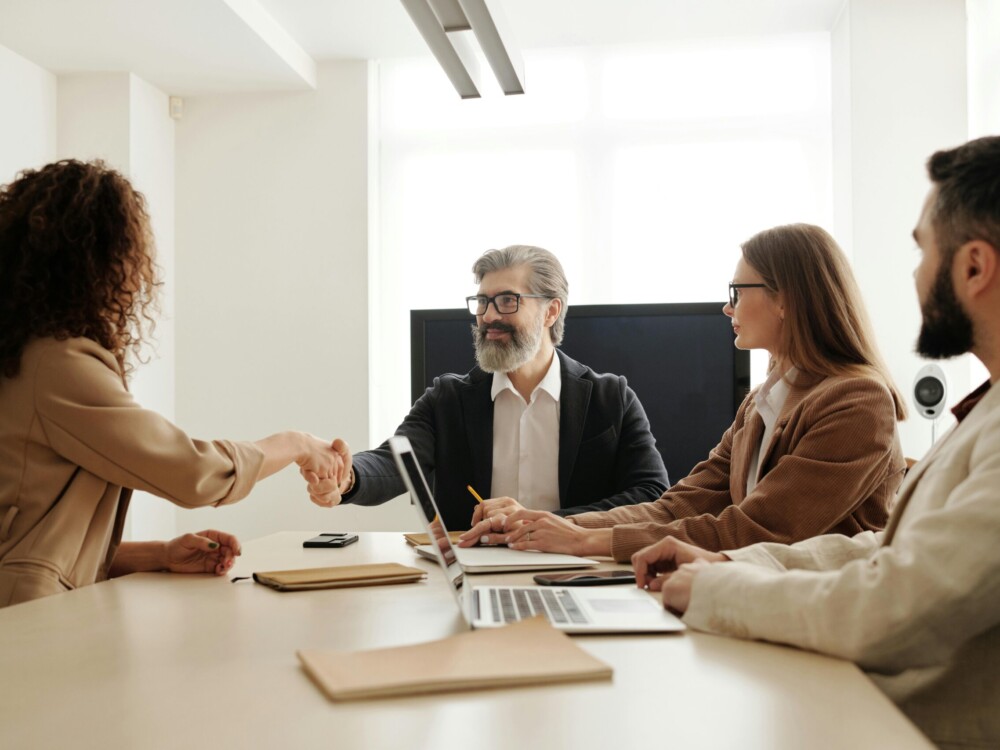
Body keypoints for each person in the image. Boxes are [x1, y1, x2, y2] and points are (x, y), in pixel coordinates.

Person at [631, 136, 1000, 749]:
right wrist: (731, 565)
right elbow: (882, 550)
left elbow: (899, 605)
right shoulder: (984, 410)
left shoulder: (865, 401)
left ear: (974, 267)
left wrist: (723, 588)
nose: (914, 275)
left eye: (922, 252)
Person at [0, 159, 349, 608]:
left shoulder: (26, 355)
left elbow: (34, 538)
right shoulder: (56, 363)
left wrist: (159, 554)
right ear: (96, 259)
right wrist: (296, 443)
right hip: (24, 623)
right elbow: (193, 472)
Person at [461, 225, 907, 562]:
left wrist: (588, 540)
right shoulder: (761, 403)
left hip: (817, 625)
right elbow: (678, 505)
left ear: (786, 299)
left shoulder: (857, 402)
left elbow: (760, 529)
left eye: (737, 291)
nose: (727, 306)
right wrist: (553, 526)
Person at [329, 245, 669, 530]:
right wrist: (346, 476)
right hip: (474, 571)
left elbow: (651, 493)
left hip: (577, 568)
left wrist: (543, 522)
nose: (488, 316)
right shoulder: (447, 400)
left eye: (507, 301)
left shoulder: (611, 399)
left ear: (551, 311)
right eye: (482, 302)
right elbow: (392, 464)